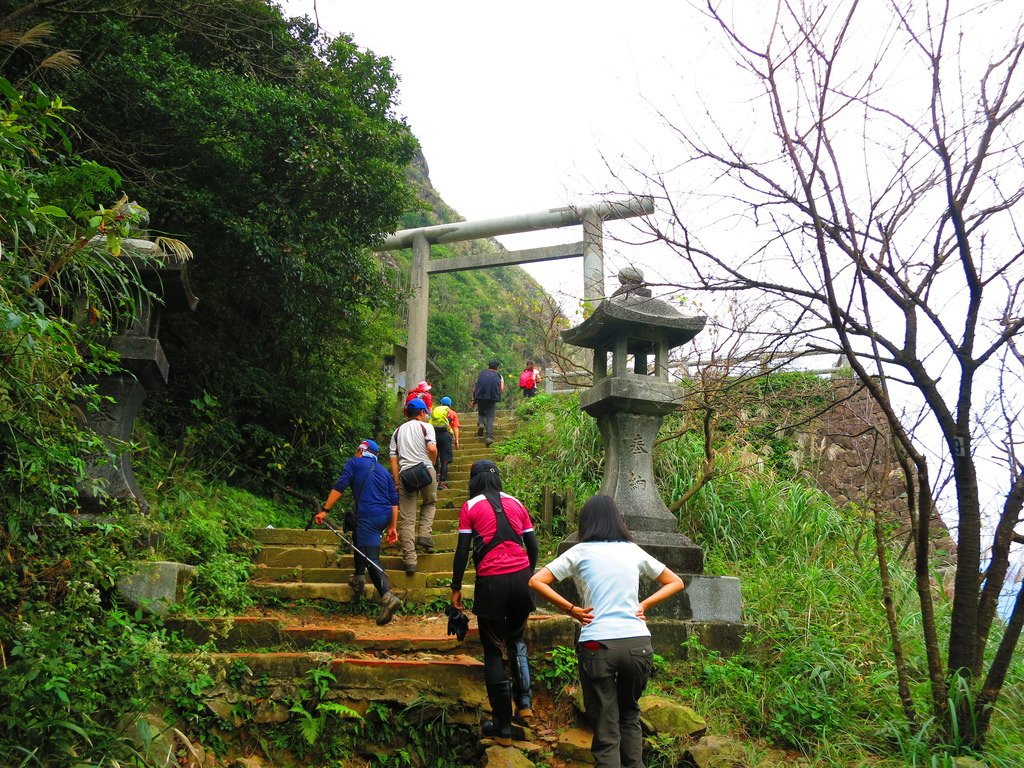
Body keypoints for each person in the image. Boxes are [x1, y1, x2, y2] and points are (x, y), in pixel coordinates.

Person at [529, 495, 685, 768]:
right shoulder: (631, 550)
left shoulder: (580, 552)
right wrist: (645, 604)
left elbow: (536, 580)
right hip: (638, 644)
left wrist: (572, 610)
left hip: (597, 644)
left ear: (586, 522)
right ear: (618, 520)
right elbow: (675, 581)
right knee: (629, 714)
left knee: (606, 722)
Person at [451, 460, 538, 745]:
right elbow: (533, 545)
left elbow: (463, 550)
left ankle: (501, 726)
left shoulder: (471, 507)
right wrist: (529, 574)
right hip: (522, 578)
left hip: (491, 582)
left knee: (492, 650)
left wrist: (455, 588)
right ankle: (524, 702)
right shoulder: (516, 502)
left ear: (474, 481)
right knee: (516, 638)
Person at [315, 440, 402, 625]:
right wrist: (392, 526)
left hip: (369, 515)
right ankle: (359, 578)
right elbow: (394, 500)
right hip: (384, 515)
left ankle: (387, 596)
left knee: (371, 557)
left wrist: (325, 510)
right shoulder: (384, 471)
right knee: (359, 536)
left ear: (361, 450)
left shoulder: (354, 463)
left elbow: (341, 485)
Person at [389, 397, 438, 575]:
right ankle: (424, 534)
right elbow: (432, 449)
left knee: (407, 518)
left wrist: (396, 480)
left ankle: (410, 560)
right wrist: (430, 464)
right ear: (422, 413)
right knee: (429, 502)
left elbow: (393, 459)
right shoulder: (427, 427)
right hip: (425, 469)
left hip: (405, 474)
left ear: (407, 413)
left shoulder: (397, 432)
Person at [430, 396, 460, 490]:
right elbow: (455, 427)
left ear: (441, 404)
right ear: (449, 405)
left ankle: (434, 479)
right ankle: (442, 483)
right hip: (445, 436)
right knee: (444, 460)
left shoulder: (435, 411)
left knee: (435, 458)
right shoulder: (452, 413)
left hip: (434, 435)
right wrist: (456, 440)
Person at [472, 359, 504, 447]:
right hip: (492, 398)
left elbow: (476, 387)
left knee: (481, 413)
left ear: (488, 366)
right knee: (490, 417)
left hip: (480, 397)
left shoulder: (481, 374)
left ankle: (481, 424)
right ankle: (489, 437)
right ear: (497, 368)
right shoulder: (499, 376)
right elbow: (501, 388)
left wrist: (474, 400)